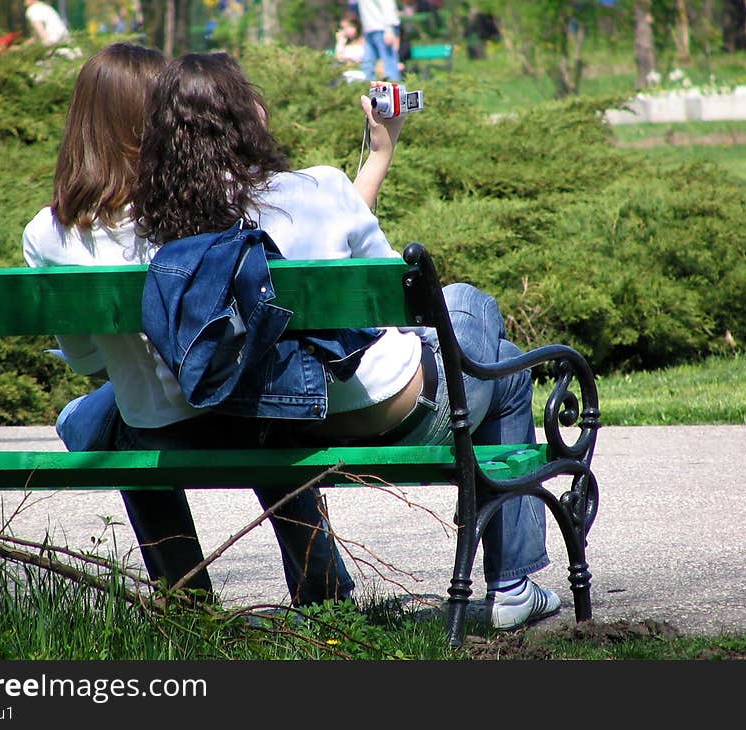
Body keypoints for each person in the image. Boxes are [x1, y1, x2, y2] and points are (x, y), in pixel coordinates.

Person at [132, 51, 561, 630]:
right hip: (398, 409)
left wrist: (378, 155)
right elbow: (394, 296)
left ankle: (511, 583)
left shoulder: (156, 227)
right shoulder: (317, 188)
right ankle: (512, 583)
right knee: (478, 320)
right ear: (245, 116)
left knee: (499, 359)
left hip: (280, 421)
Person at [21, 43, 400, 607]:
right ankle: (323, 594)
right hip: (238, 406)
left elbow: (82, 357)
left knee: (103, 417)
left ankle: (186, 599)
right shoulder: (190, 212)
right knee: (258, 387)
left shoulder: (46, 234)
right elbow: (321, 242)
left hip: (153, 421)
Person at [357, 0, 403, 81]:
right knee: (367, 65)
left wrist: (389, 29)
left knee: (389, 64)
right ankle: (366, 89)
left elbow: (388, 6)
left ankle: (395, 89)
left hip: (382, 29)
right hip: (369, 30)